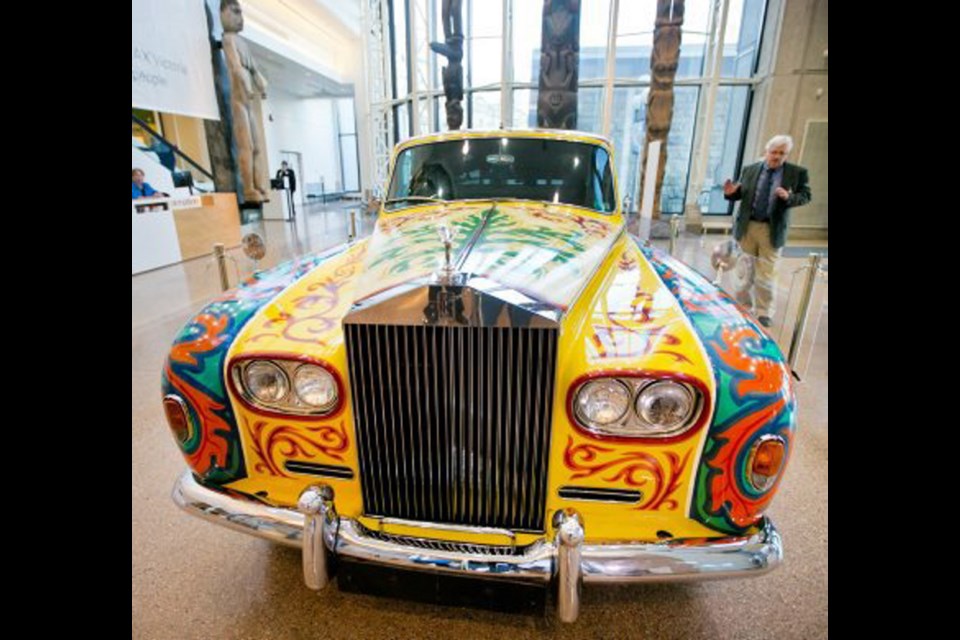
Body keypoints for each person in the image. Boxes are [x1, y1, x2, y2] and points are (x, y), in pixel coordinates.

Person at [723, 134, 811, 328]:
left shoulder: (797, 173)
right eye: (774, 152)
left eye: (782, 153)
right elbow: (740, 193)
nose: (777, 156)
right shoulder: (750, 170)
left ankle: (764, 311)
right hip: (748, 226)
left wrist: (789, 197)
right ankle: (743, 306)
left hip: (772, 228)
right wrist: (730, 193)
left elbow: (805, 196)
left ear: (787, 154)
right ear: (766, 151)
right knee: (744, 269)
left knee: (767, 272)